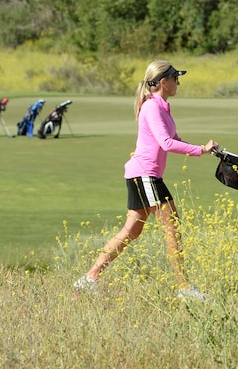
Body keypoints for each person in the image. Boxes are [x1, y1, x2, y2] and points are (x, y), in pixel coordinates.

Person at [74, 60, 219, 301]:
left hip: (142, 174)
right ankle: (185, 289)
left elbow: (174, 138)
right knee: (172, 227)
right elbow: (166, 143)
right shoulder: (153, 107)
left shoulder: (161, 106)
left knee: (132, 230)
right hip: (145, 175)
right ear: (164, 82)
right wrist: (200, 150)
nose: (178, 83)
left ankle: (89, 278)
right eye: (175, 79)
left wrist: (204, 149)